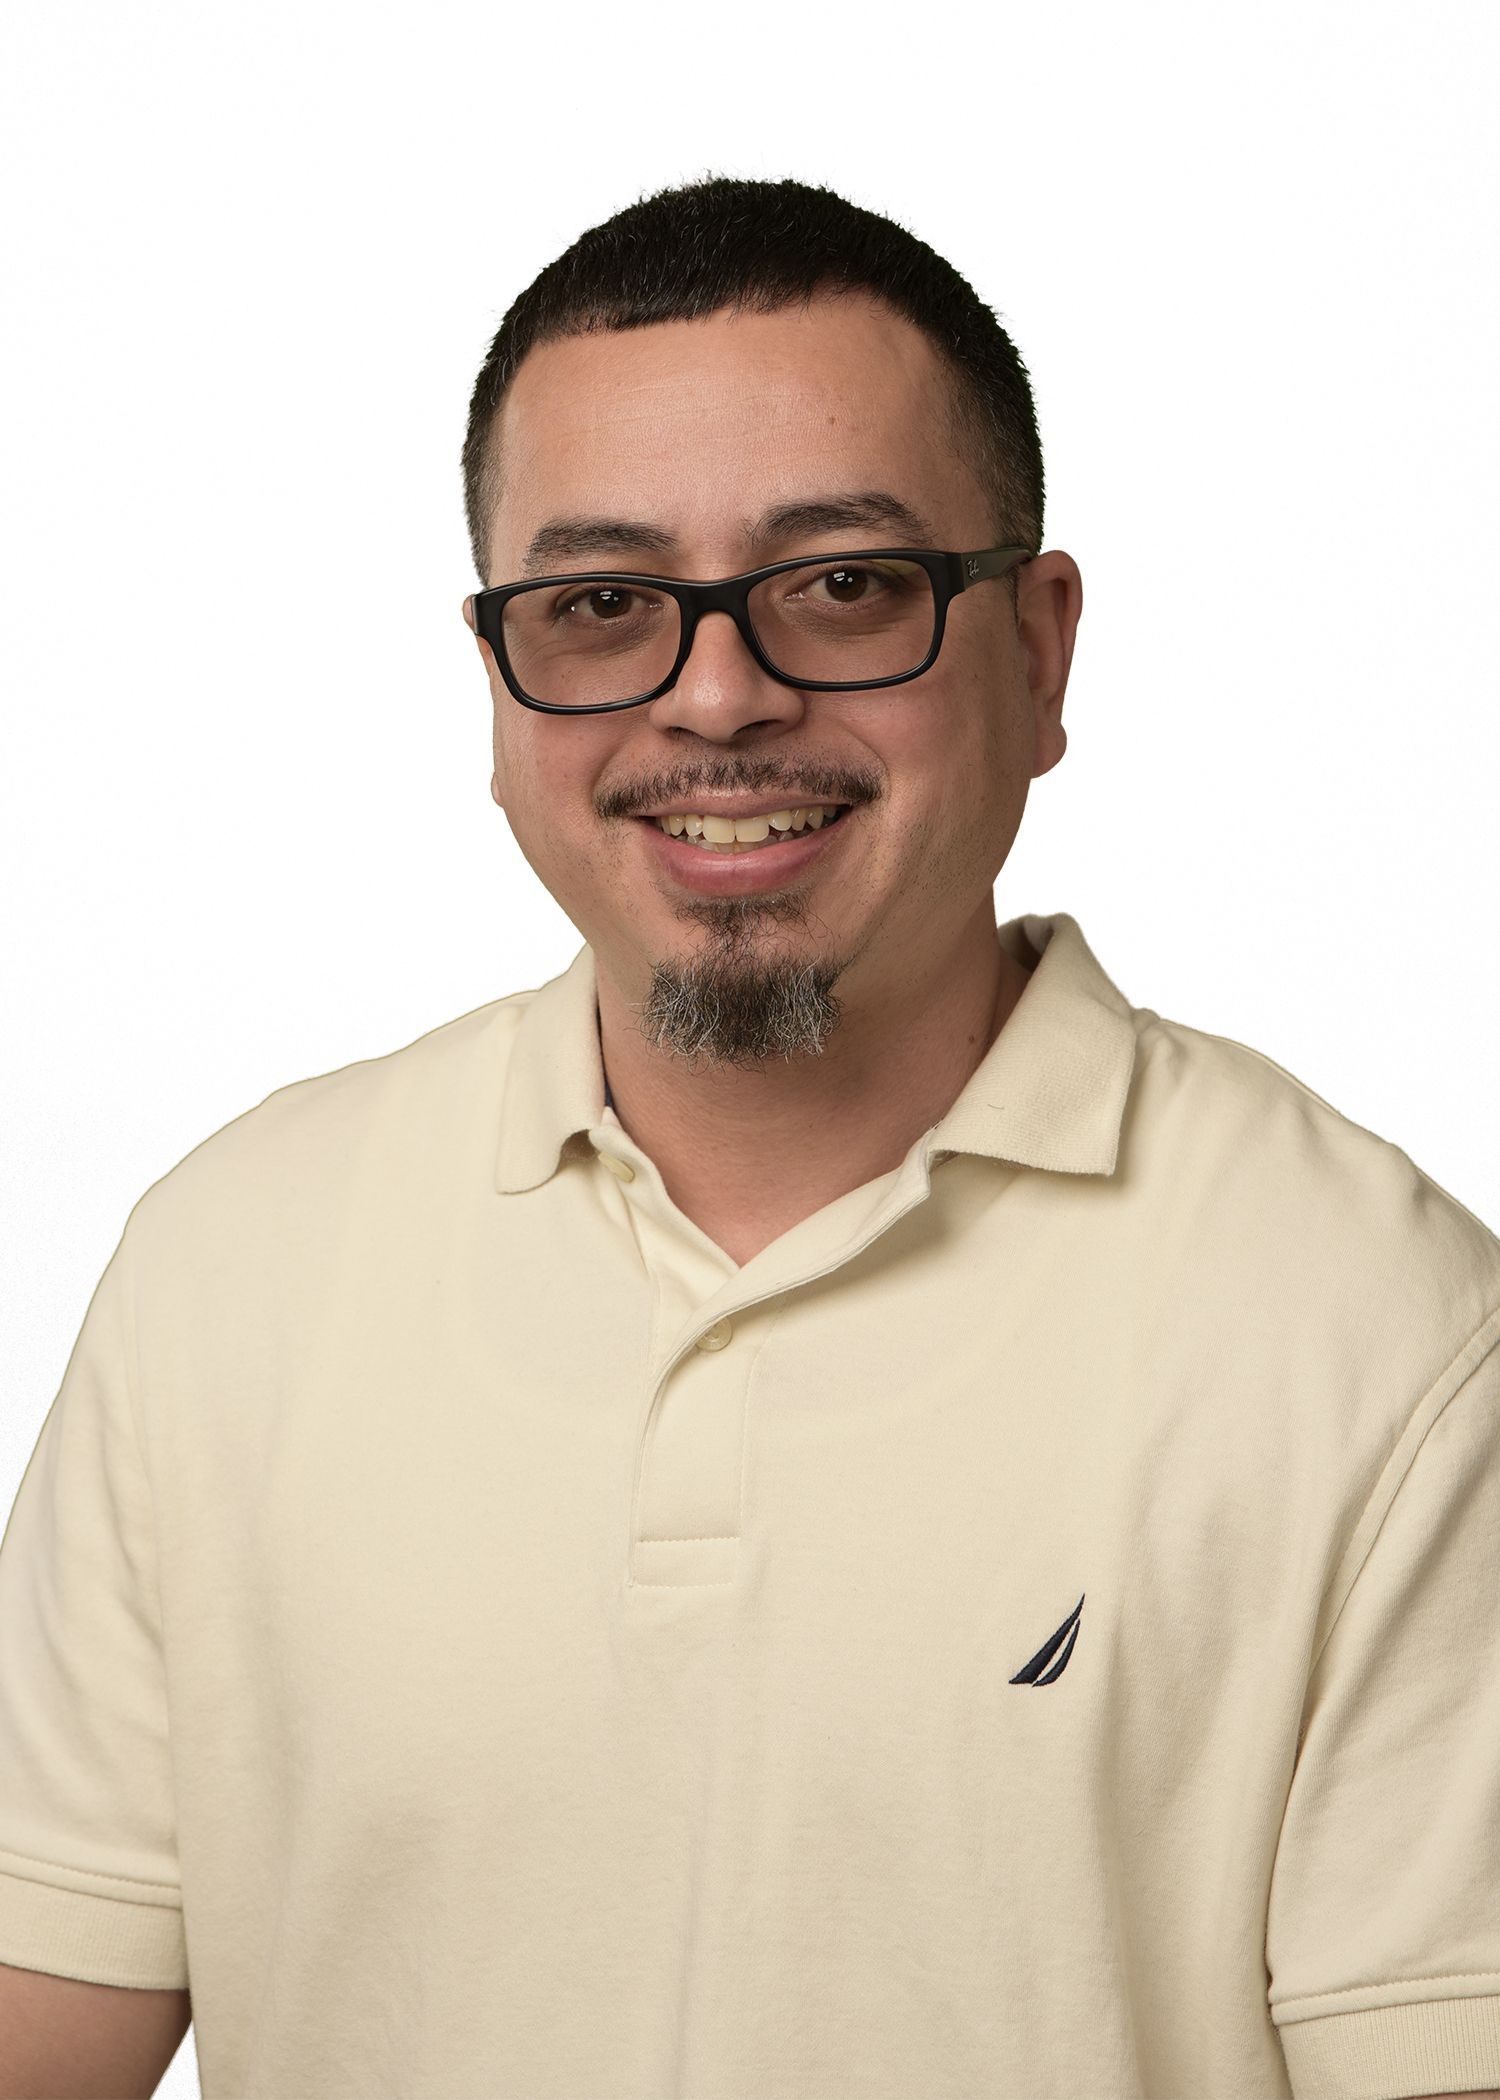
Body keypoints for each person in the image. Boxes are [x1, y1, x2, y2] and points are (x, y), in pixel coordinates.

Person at [0, 175, 1496, 2100]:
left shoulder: (1380, 1333)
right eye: (600, 605)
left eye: (844, 585)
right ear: (498, 681)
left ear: (1039, 652)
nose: (718, 696)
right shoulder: (230, 1267)